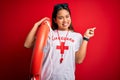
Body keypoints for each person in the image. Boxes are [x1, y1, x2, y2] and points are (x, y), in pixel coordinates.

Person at [24, 3, 96, 80]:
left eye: (67, 16)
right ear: (55, 20)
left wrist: (86, 38)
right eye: (60, 18)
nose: (65, 20)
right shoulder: (48, 34)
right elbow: (27, 45)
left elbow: (79, 60)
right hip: (46, 78)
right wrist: (36, 25)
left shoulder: (77, 36)